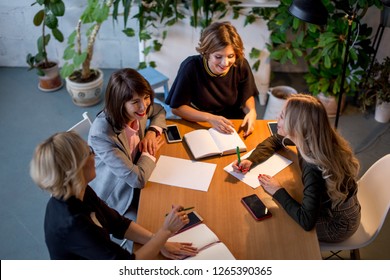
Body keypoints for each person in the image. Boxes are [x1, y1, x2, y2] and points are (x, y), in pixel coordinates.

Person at [30, 131, 198, 260]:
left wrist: (158, 242)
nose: (94, 155)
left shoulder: (78, 191)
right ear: (76, 170)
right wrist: (165, 232)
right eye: (89, 151)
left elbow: (118, 224)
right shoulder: (75, 225)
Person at [232, 94, 361, 243]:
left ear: (296, 126)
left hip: (337, 225)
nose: (277, 119)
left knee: (276, 223)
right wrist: (251, 160)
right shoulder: (314, 137)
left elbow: (306, 221)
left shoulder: (313, 168)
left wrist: (277, 191)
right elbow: (275, 139)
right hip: (338, 207)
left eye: (281, 116)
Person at [88, 68, 167, 216]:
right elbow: (138, 180)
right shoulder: (102, 134)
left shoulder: (138, 111)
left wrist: (152, 132)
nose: (144, 106)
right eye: (135, 102)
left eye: (146, 97)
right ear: (120, 104)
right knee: (159, 215)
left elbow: (159, 110)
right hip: (118, 195)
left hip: (139, 169)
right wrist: (148, 153)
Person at [165, 21, 258, 137]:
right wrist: (209, 118)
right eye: (218, 57)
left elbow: (247, 94)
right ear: (206, 53)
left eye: (231, 56)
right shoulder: (191, 67)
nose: (225, 63)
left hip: (232, 121)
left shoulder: (241, 64)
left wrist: (251, 111)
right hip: (200, 120)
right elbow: (177, 108)